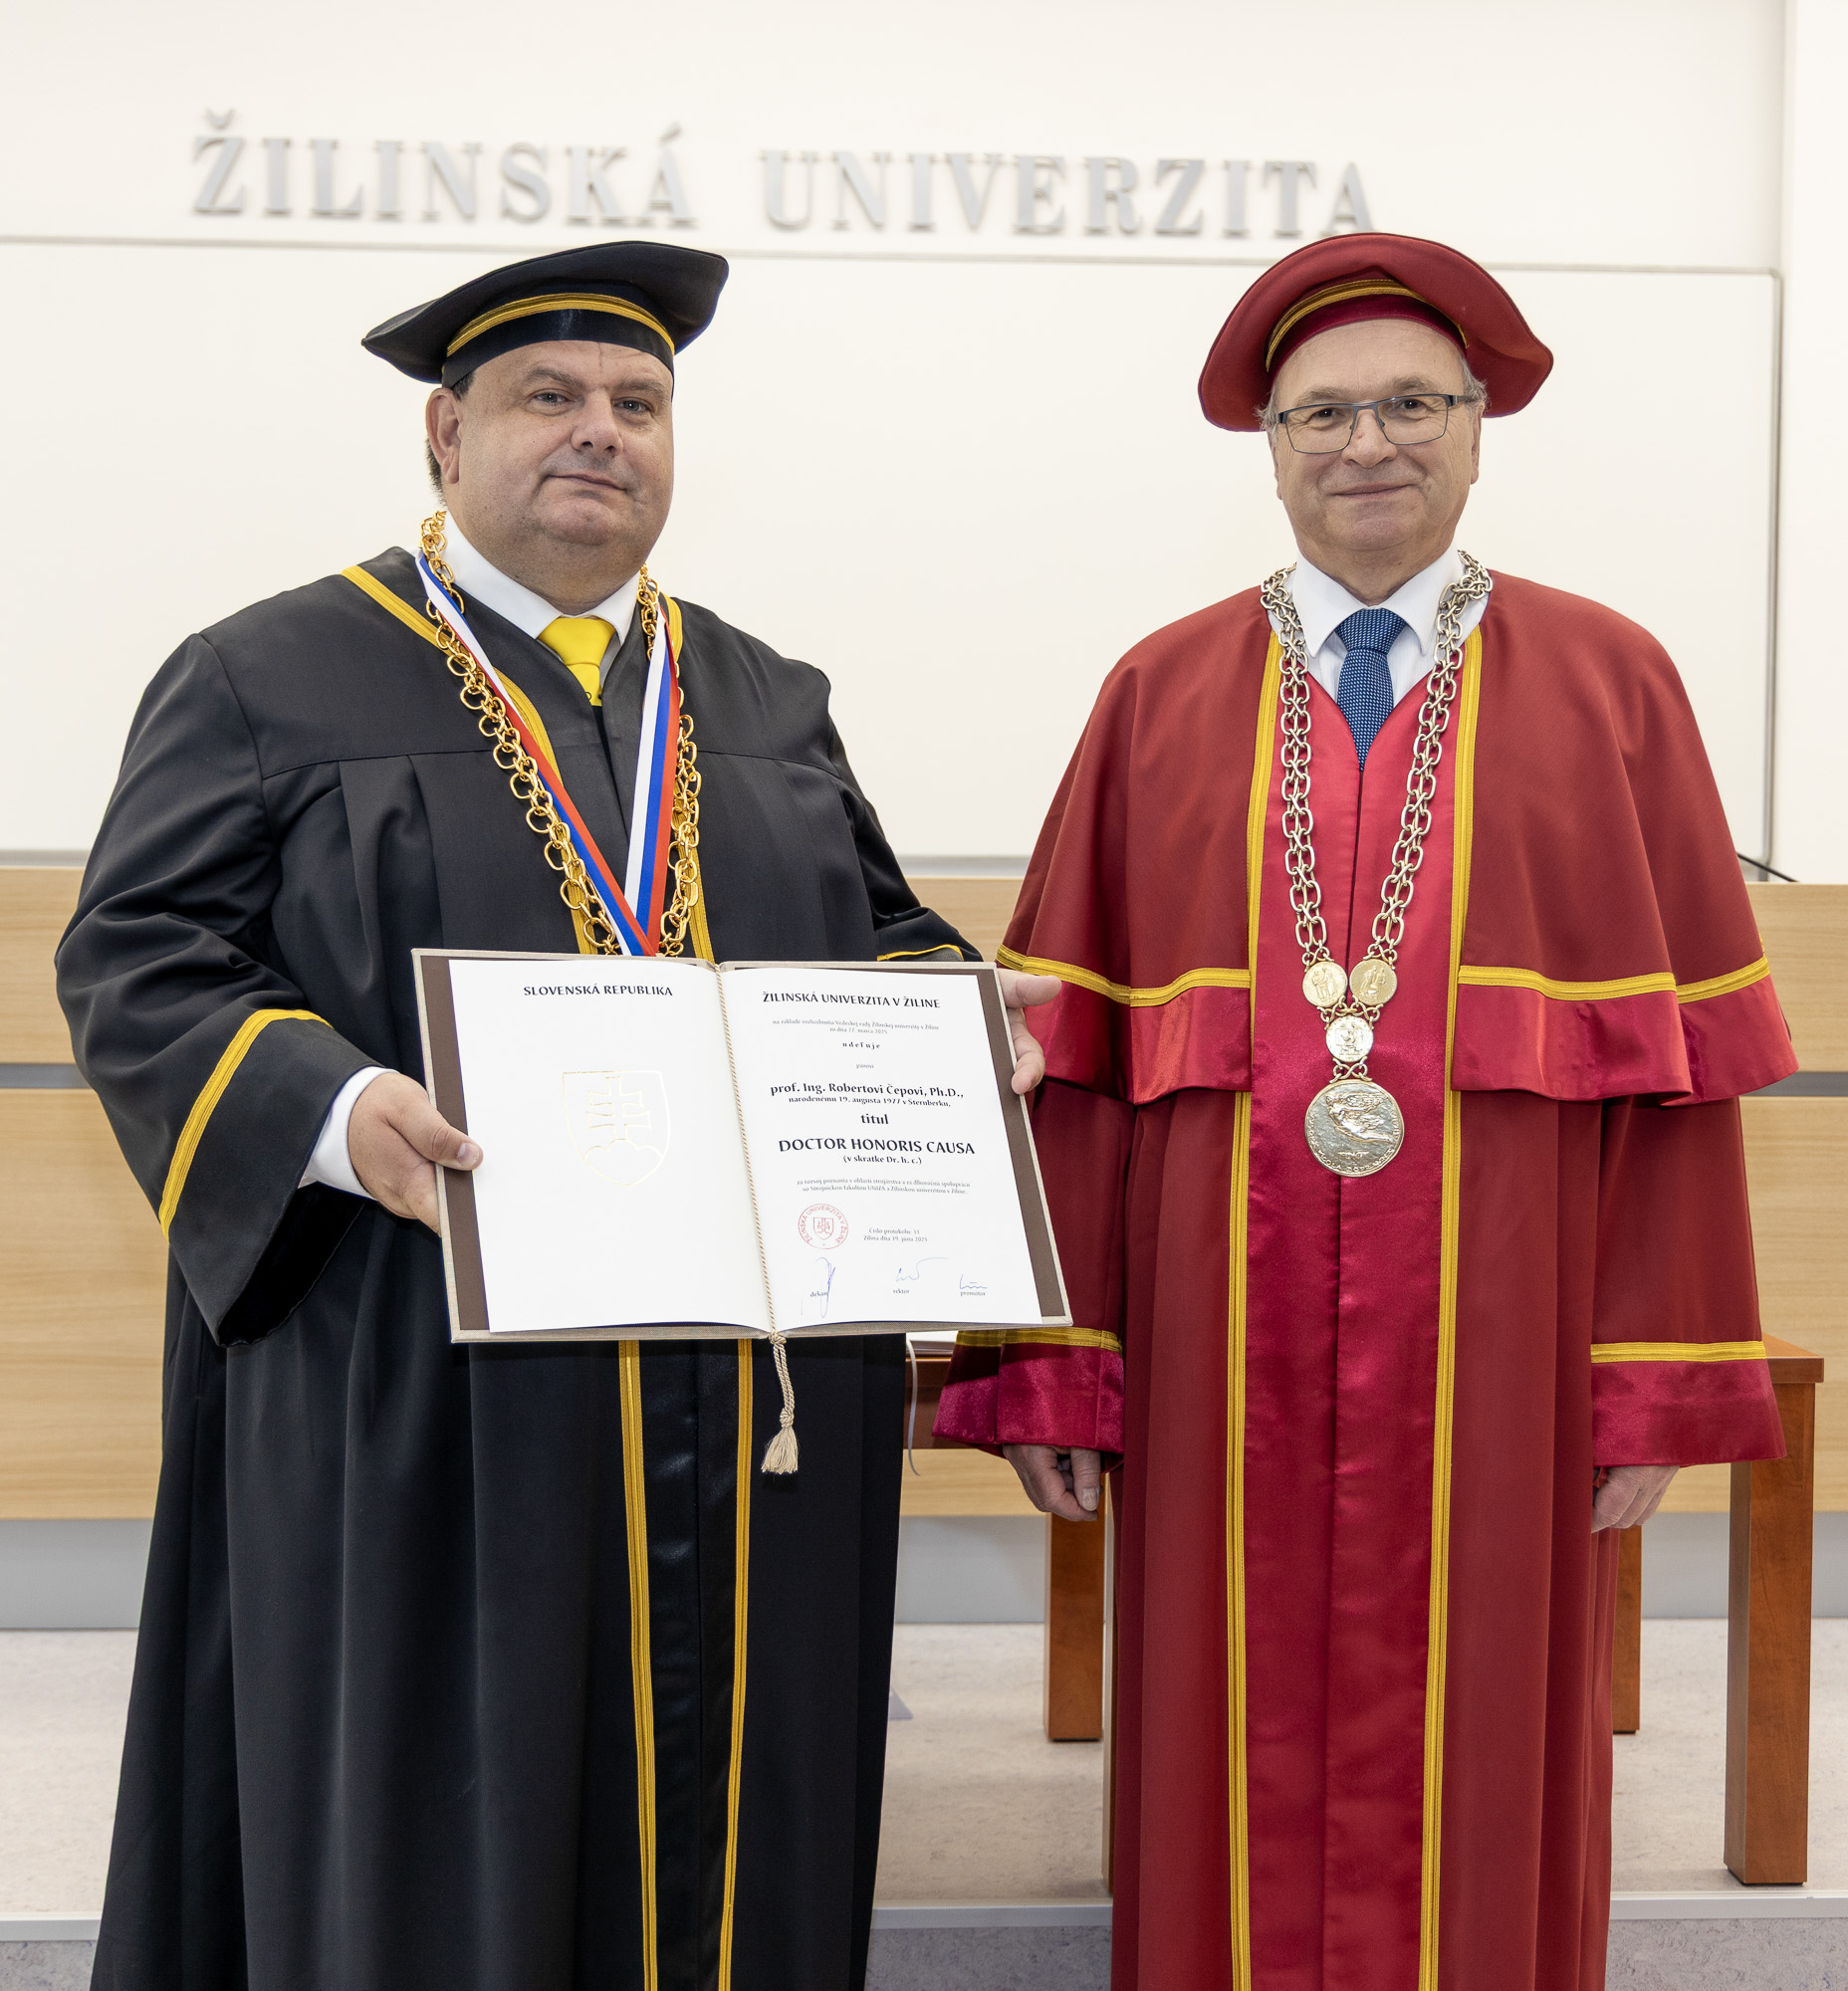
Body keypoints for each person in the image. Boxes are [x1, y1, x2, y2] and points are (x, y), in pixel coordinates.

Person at [60, 241, 1051, 1991]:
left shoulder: (765, 696)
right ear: (446, 437)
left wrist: (956, 1025)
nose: (602, 431)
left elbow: (876, 933)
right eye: (550, 397)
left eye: (639, 404)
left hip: (746, 1397)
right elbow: (136, 959)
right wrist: (333, 1104)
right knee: (452, 1822)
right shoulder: (269, 676)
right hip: (421, 1367)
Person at [935, 233, 1795, 1991]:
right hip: (1214, 1345)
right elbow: (1069, 1073)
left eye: (1412, 404)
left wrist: (1647, 1377)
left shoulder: (1612, 683)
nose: (1368, 444)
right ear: (1270, 448)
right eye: (1322, 414)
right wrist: (1055, 1363)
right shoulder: (1159, 692)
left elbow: (1680, 1095)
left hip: (1507, 1339)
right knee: (1214, 1725)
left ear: (1479, 426)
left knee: (1491, 1731)